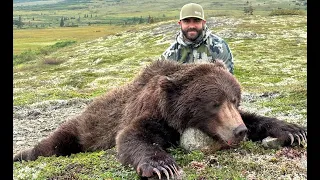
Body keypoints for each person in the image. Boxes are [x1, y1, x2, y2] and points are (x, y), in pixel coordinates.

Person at [161, 3, 234, 74]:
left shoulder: (220, 47)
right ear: (180, 23)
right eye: (186, 21)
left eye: (196, 20)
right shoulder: (170, 54)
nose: (192, 26)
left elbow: (227, 81)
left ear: (203, 22)